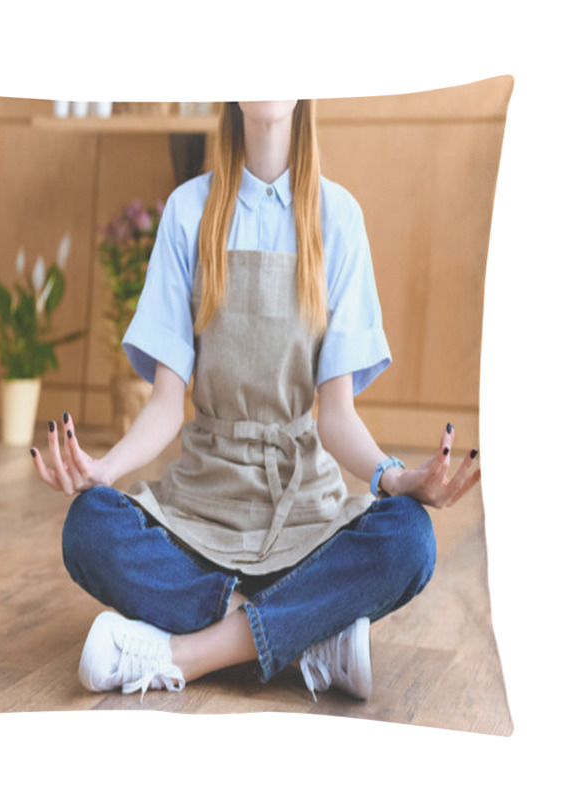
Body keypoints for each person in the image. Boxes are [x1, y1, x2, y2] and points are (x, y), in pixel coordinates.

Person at [30, 100, 481, 702]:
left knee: (409, 539)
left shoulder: (338, 217)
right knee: (90, 527)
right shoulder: (188, 212)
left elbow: (336, 417)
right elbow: (167, 405)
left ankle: (185, 654)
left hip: (303, 513)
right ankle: (308, 636)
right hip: (201, 506)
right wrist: (102, 472)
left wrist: (395, 479)